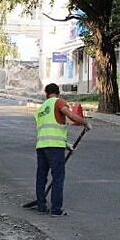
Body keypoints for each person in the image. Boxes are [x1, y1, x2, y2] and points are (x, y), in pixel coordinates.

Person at [34, 83, 92, 216]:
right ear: (58, 92)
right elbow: (70, 115)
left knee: (41, 177)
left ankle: (41, 207)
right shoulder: (58, 102)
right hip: (55, 148)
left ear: (46, 93)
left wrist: (66, 144)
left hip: (41, 146)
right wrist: (85, 123)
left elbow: (48, 129)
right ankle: (56, 210)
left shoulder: (41, 109)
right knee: (58, 177)